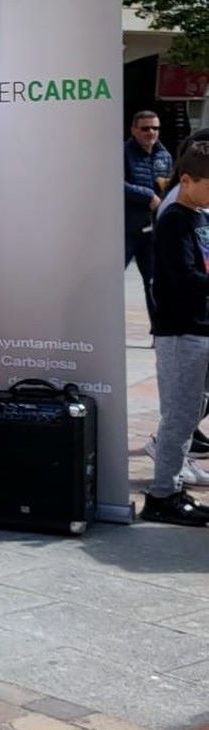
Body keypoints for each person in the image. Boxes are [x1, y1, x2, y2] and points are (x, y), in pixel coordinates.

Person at [140, 142, 209, 525]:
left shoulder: (199, 216)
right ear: (187, 179)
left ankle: (175, 486)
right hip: (181, 331)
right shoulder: (174, 221)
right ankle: (162, 494)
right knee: (179, 418)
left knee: (190, 411)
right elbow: (180, 279)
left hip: (200, 327)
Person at [125, 110, 174, 321]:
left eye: (155, 128)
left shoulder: (164, 155)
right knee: (107, 283)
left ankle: (159, 332)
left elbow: (169, 186)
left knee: (155, 282)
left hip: (152, 230)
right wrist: (149, 196)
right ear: (134, 130)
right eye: (145, 128)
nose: (150, 132)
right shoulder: (121, 153)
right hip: (124, 229)